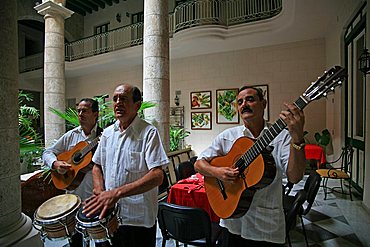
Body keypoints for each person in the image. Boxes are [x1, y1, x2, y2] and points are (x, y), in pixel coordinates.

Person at [194, 86, 306, 246]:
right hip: (231, 223)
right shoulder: (227, 136)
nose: (244, 104)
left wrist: (297, 138)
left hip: (266, 226)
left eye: (250, 99)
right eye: (240, 102)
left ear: (264, 103)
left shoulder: (283, 137)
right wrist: (217, 172)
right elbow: (199, 164)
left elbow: (295, 177)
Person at [83, 84, 169, 247]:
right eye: (115, 99)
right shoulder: (107, 133)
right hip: (109, 214)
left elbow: (157, 176)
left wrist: (117, 193)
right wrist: (100, 190)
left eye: (123, 99)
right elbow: (97, 166)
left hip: (137, 218)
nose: (117, 103)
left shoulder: (149, 133)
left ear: (137, 105)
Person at [42, 98, 101, 246]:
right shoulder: (71, 135)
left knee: (100, 236)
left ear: (95, 114)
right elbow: (48, 152)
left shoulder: (104, 135)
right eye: (79, 111)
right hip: (73, 195)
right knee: (75, 238)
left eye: (85, 111)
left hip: (96, 195)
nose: (80, 114)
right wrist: (55, 164)